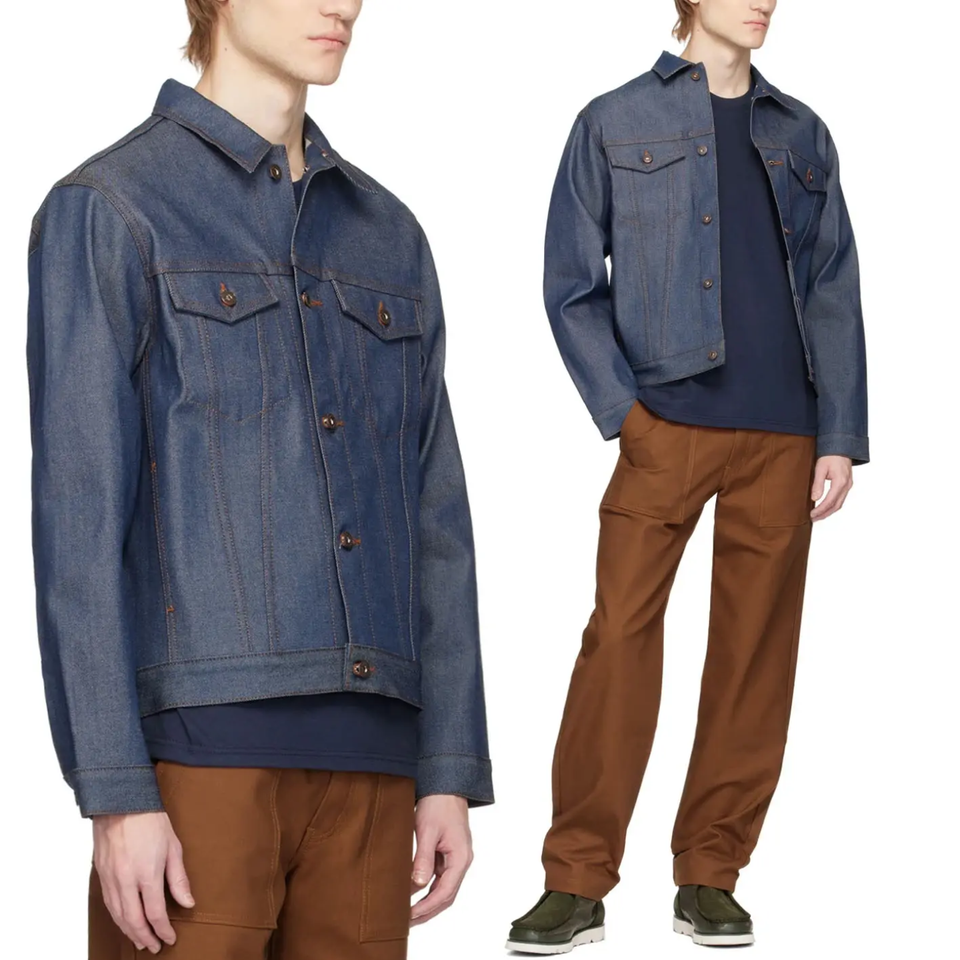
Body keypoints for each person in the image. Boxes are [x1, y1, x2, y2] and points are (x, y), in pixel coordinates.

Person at [25, 1, 493, 957]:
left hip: (375, 771)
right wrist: (114, 789)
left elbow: (435, 515)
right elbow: (79, 524)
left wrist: (448, 765)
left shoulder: (389, 234)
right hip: (200, 768)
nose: (343, 5)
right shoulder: (112, 208)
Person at [506, 0, 867, 951]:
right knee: (618, 639)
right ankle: (576, 880)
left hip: (784, 432)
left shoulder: (803, 132)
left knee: (754, 658)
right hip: (665, 427)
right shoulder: (613, 120)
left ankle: (711, 874)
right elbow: (570, 286)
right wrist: (627, 416)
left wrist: (839, 433)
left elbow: (832, 282)